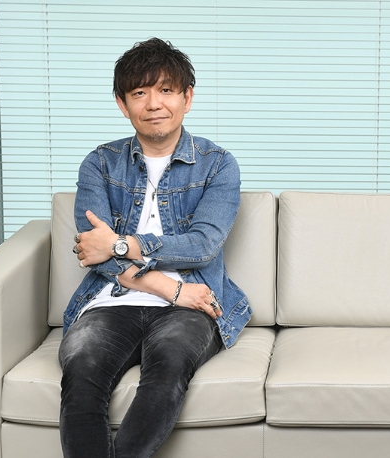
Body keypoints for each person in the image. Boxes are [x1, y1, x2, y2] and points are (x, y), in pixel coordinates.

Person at [60, 37, 251, 458]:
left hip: (190, 308)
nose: (154, 104)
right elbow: (92, 250)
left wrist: (122, 243)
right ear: (122, 103)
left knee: (168, 368)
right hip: (118, 300)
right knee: (82, 369)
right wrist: (169, 288)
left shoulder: (218, 164)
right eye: (139, 93)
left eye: (166, 90)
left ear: (187, 98)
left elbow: (202, 246)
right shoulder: (99, 163)